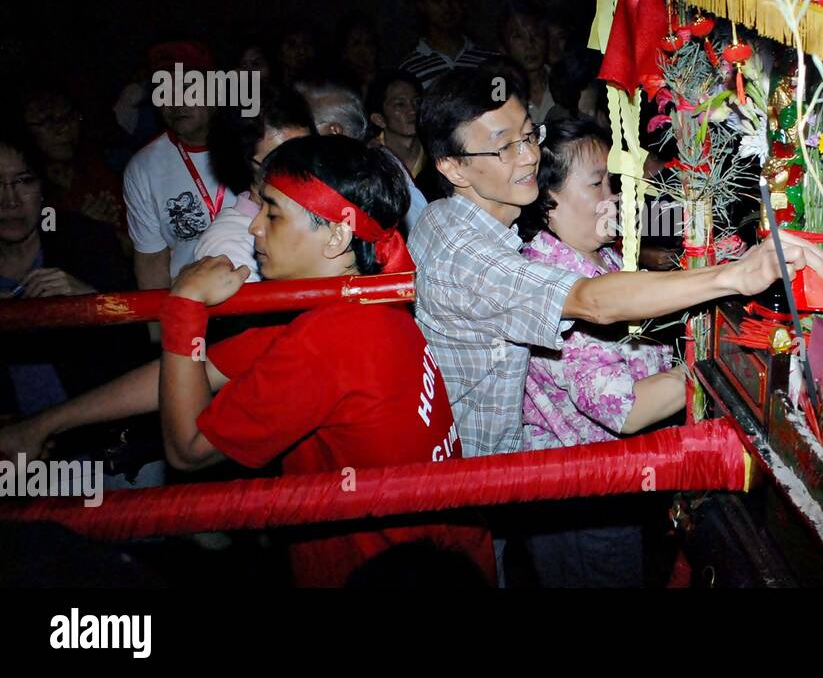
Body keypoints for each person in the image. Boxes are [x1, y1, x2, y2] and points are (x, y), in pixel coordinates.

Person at [0, 136, 494, 587]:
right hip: (440, 565)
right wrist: (45, 424)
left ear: (337, 236)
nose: (254, 226)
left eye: (273, 213)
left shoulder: (330, 337)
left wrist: (184, 311)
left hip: (389, 577)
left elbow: (189, 448)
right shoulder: (359, 298)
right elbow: (203, 369)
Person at [410, 66, 823, 458]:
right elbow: (588, 300)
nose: (527, 157)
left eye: (528, 135)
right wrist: (737, 277)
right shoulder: (464, 250)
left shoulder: (457, 221)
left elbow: (641, 227)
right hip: (476, 474)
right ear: (453, 167)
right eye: (504, 147)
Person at [516, 118, 686, 586]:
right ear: (547, 198)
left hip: (620, 484)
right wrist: (706, 370)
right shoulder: (552, 279)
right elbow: (625, 409)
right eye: (598, 183)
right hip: (581, 500)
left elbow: (673, 223)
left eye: (613, 179)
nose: (613, 194)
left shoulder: (600, 254)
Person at [0, 128, 151, 432]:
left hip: (112, 450)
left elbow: (143, 346)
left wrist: (93, 304)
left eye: (24, 181)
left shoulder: (88, 242)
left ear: (43, 186)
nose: (10, 200)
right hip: (19, 462)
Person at [122, 41, 227, 288]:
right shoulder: (144, 167)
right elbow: (151, 261)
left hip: (261, 302)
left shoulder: (254, 145)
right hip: (193, 309)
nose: (175, 101)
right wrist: (163, 327)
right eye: (163, 90)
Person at [195, 85, 316, 279]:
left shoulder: (314, 218)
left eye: (309, 152)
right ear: (245, 164)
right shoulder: (228, 246)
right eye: (281, 161)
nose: (303, 169)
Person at [297, 80, 427, 232]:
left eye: (308, 126)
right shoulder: (331, 171)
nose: (301, 134)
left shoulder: (377, 173)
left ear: (334, 131)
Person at [20, 83, 129, 246]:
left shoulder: (104, 166)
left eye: (69, 116)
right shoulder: (20, 191)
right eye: (48, 121)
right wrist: (81, 226)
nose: (63, 128)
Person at [398, 0, 496, 91]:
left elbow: (502, 104)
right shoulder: (407, 69)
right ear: (422, 6)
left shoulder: (491, 62)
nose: (447, 5)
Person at [365, 70, 428, 190]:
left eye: (417, 102)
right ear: (379, 119)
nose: (413, 110)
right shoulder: (368, 161)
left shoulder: (438, 153)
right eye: (400, 104)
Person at [499, 6, 554, 124]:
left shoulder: (566, 81)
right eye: (518, 36)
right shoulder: (501, 91)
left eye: (536, 34)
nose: (530, 44)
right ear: (503, 48)